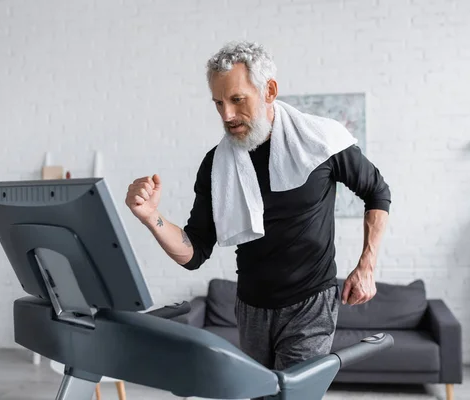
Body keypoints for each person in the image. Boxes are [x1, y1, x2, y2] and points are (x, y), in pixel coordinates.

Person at [125, 41, 391, 375]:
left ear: (269, 90)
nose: (227, 115)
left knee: (293, 395)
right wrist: (152, 218)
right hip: (250, 308)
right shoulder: (216, 165)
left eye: (237, 100)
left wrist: (367, 265)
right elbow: (193, 253)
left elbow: (377, 192)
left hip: (311, 302)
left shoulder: (323, 141)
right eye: (218, 103)